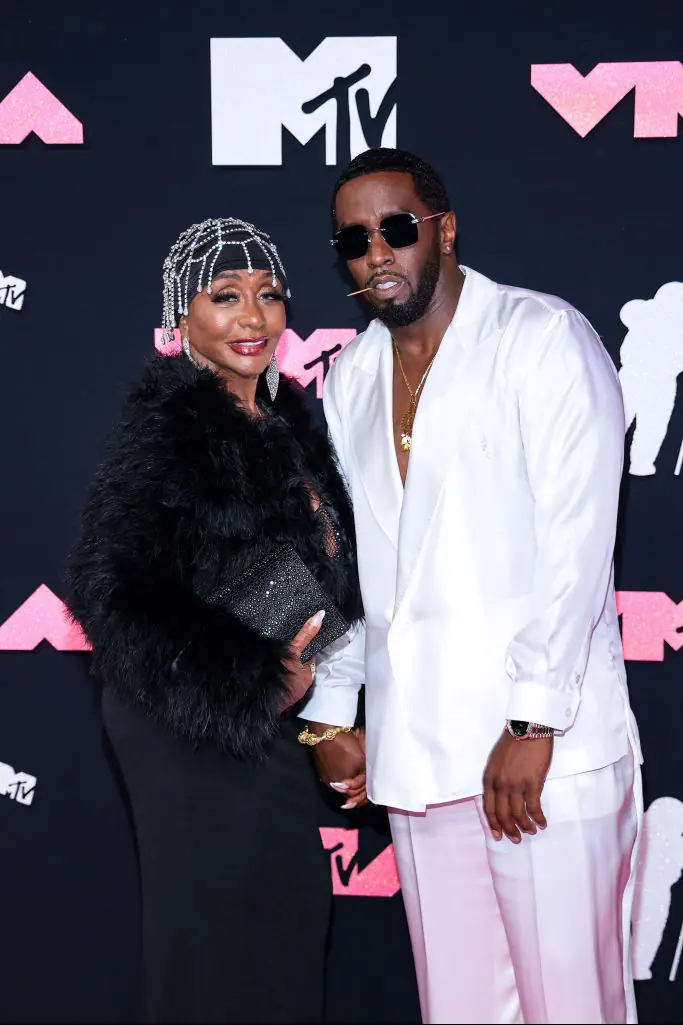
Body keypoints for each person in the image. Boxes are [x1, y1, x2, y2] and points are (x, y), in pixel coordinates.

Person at [301, 148, 643, 1025]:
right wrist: (333, 710)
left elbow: (576, 545)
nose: (376, 253)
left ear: (443, 231)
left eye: (397, 228)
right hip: (423, 754)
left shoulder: (542, 338)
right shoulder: (350, 378)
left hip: (541, 754)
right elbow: (348, 560)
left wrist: (530, 721)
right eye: (353, 239)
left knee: (572, 1008)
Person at [66, 217, 363, 1025]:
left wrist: (311, 675)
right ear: (181, 314)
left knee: (286, 929)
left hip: (259, 722)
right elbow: (110, 587)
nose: (252, 317)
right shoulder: (169, 424)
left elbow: (314, 572)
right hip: (185, 723)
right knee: (210, 950)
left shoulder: (289, 421)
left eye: (268, 295)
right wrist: (249, 675)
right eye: (224, 296)